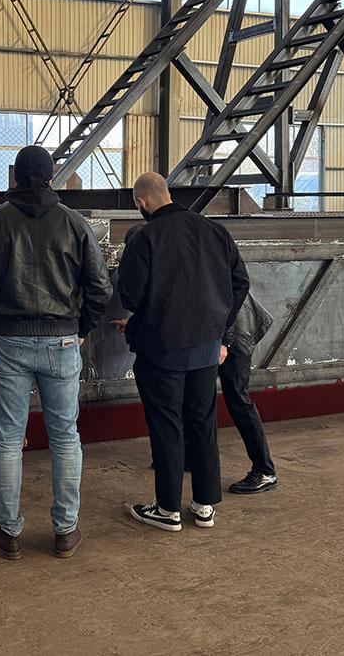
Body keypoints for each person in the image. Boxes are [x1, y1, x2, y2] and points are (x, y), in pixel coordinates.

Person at [0, 145, 113, 560]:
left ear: (15, 177)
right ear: (51, 176)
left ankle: (9, 532)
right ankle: (65, 531)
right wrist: (80, 330)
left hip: (8, 341)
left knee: (9, 439)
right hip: (61, 342)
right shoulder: (74, 222)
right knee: (65, 437)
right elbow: (100, 288)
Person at [114, 172, 248, 533]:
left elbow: (131, 296)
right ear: (167, 194)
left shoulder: (145, 237)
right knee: (202, 423)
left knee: (167, 426)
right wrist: (220, 327)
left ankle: (168, 509)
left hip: (161, 350)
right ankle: (204, 506)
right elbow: (240, 282)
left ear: (141, 202)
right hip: (205, 348)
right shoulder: (214, 231)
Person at [217, 292, 278, 494]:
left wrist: (225, 340)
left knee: (238, 399)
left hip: (232, 335)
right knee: (198, 396)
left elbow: (236, 286)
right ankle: (192, 457)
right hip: (218, 333)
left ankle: (265, 470)